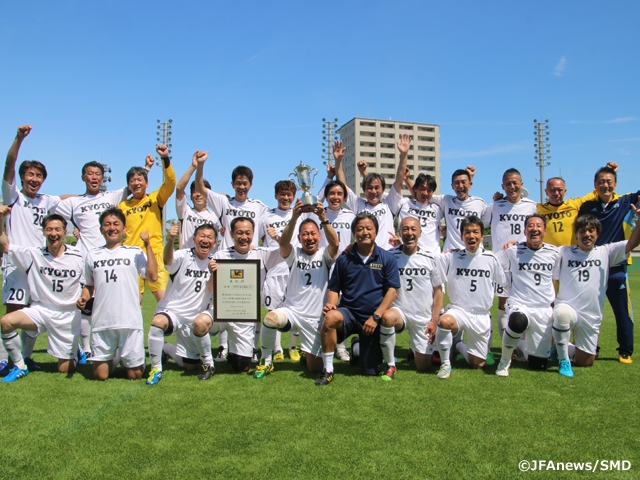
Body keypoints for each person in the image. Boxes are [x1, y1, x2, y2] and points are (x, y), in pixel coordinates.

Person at [54, 159, 153, 361]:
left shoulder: (111, 196)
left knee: (109, 306)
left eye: (97, 174)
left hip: (112, 258)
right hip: (86, 261)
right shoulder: (73, 203)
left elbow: (133, 186)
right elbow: (52, 207)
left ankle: (114, 347)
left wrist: (147, 168)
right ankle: (85, 349)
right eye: (89, 174)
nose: (94, 177)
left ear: (102, 177)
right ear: (83, 177)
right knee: (84, 307)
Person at [193, 151, 269, 362]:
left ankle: (253, 348)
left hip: (249, 261)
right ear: (232, 184)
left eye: (245, 183)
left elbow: (267, 228)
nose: (241, 187)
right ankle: (224, 348)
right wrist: (200, 166)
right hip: (226, 261)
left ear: (251, 185)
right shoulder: (224, 202)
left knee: (251, 305)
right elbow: (200, 188)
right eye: (238, 183)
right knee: (225, 304)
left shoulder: (259, 206)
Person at [192, 217, 289, 375]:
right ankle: (208, 363)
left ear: (253, 234)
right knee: (199, 323)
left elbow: (286, 252)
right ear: (231, 234)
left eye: (247, 233)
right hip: (222, 312)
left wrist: (276, 238)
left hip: (245, 317)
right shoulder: (221, 255)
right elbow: (210, 289)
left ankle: (234, 350)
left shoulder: (262, 254)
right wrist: (211, 274)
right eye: (239, 233)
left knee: (241, 367)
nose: (244, 237)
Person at [255, 199, 339, 378]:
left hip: (315, 319)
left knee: (314, 369)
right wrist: (294, 218)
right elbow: (284, 243)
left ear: (319, 236)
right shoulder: (294, 254)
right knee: (270, 318)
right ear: (299, 238)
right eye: (305, 235)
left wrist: (323, 217)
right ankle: (266, 361)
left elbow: (336, 244)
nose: (309, 238)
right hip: (292, 311)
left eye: (313, 234)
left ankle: (307, 354)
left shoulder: (324, 254)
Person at [552, 211, 640, 377]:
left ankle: (559, 347)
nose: (587, 234)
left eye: (591, 230)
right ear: (576, 234)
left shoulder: (606, 252)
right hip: (567, 307)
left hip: (590, 316)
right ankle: (563, 359)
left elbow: (633, 243)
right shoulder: (564, 251)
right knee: (561, 313)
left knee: (586, 362)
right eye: (583, 231)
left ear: (597, 234)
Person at [0, 208, 84, 382]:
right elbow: (5, 246)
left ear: (64, 230)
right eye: (49, 229)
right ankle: (19, 365)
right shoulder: (34, 254)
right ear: (44, 231)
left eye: (57, 229)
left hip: (67, 315)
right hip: (41, 310)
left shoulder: (78, 255)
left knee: (64, 369)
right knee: (6, 322)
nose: (53, 233)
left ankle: (75, 350)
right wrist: (1, 220)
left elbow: (89, 282)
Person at [318, 212, 400, 385]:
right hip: (349, 313)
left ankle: (356, 348)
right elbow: (334, 288)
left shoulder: (387, 258)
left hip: (372, 317)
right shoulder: (344, 258)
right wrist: (331, 305)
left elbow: (392, 291)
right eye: (360, 229)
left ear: (376, 232)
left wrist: (376, 316)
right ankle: (328, 369)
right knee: (330, 318)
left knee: (370, 370)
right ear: (354, 232)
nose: (364, 232)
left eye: (369, 228)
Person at [77, 208, 158, 381]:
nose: (111, 228)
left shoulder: (134, 252)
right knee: (100, 376)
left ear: (124, 229)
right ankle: (116, 356)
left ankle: (126, 356)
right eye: (107, 224)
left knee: (135, 375)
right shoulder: (93, 255)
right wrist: (84, 298)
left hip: (129, 320)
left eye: (116, 224)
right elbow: (88, 286)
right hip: (102, 321)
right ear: (101, 229)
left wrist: (148, 246)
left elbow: (152, 276)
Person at [578, 166, 639, 364]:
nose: (605, 185)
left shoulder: (625, 201)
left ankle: (625, 350)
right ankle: (590, 348)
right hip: (592, 267)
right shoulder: (587, 206)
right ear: (595, 185)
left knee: (622, 311)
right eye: (601, 182)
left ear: (615, 184)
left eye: (609, 181)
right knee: (588, 311)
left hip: (616, 267)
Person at [434, 215, 507, 379]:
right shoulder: (452, 256)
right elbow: (430, 261)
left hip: (480, 314)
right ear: (461, 236)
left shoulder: (491, 258)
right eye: (467, 232)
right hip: (458, 310)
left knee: (477, 364)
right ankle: (446, 364)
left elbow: (503, 284)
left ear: (482, 236)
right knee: (444, 322)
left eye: (475, 232)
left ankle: (458, 345)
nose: (471, 236)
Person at [146, 222, 217, 384]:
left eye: (209, 237)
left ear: (214, 244)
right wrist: (171, 239)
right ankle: (156, 369)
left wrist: (214, 274)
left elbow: (211, 290)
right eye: (202, 236)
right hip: (173, 312)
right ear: (194, 239)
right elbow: (167, 261)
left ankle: (166, 348)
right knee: (158, 322)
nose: (205, 240)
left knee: (190, 367)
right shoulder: (183, 255)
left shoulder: (215, 261)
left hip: (195, 317)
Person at [494, 214, 559, 376]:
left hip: (543, 309)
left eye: (538, 226)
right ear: (524, 230)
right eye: (530, 226)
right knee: (517, 321)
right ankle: (504, 361)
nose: (534, 229)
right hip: (519, 304)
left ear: (544, 230)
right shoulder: (513, 250)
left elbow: (559, 276)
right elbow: (491, 262)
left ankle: (522, 347)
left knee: (538, 365)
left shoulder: (554, 253)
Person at [379, 217, 444, 379]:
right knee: (387, 318)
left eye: (413, 229)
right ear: (399, 233)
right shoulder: (389, 256)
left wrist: (434, 321)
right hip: (400, 312)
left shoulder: (431, 258)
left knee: (423, 366)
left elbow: (438, 292)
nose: (409, 233)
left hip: (423, 317)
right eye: (405, 229)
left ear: (420, 233)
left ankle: (414, 349)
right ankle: (390, 364)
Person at [117, 144, 175, 304]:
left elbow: (170, 182)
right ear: (128, 185)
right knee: (133, 304)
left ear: (146, 183)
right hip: (132, 256)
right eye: (132, 180)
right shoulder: (122, 206)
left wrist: (164, 158)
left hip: (155, 253)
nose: (136, 183)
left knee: (165, 303)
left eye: (139, 179)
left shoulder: (155, 199)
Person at [489, 168, 537, 350]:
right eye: (508, 183)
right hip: (501, 264)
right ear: (503, 186)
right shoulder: (495, 206)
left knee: (523, 302)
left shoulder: (531, 206)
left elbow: (535, 229)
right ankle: (506, 345)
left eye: (515, 182)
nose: (512, 186)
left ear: (521, 185)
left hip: (524, 263)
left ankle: (523, 345)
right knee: (503, 303)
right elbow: (480, 222)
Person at [260, 180, 302, 363]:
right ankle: (277, 349)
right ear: (276, 195)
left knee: (297, 308)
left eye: (289, 194)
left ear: (294, 196)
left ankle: (293, 347)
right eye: (282, 194)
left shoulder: (300, 216)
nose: (286, 198)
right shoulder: (266, 216)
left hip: (294, 269)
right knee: (274, 311)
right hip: (274, 272)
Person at [333, 140, 398, 250]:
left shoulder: (389, 204)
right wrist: (338, 160)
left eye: (377, 188)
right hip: (364, 257)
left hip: (387, 255)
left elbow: (399, 179)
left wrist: (403, 155)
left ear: (382, 190)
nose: (373, 191)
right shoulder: (359, 205)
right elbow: (343, 185)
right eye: (369, 188)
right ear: (364, 190)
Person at [386, 135, 443, 254]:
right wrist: (404, 156)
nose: (425, 193)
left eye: (429, 190)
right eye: (422, 188)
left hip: (431, 258)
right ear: (415, 188)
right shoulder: (404, 203)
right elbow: (398, 181)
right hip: (406, 254)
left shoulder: (438, 208)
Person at [175, 150, 221, 250]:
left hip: (209, 263)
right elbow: (179, 188)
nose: (198, 195)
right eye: (195, 191)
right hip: (188, 261)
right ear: (191, 196)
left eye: (202, 192)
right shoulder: (185, 211)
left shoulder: (216, 215)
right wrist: (193, 166)